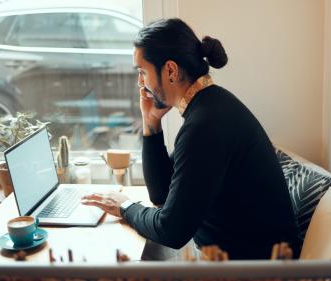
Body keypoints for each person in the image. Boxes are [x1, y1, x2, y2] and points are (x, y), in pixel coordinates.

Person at [81, 18, 299, 260]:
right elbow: (162, 194)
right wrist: (151, 122)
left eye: (142, 72)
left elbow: (171, 230)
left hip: (258, 271)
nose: (140, 83)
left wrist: (125, 207)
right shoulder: (210, 107)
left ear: (171, 71)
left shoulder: (205, 125)